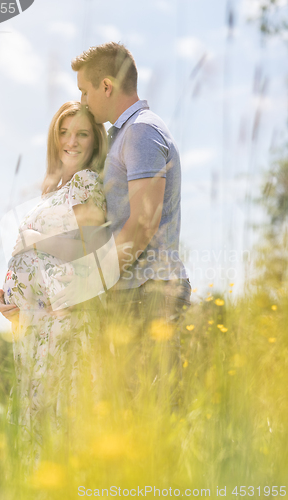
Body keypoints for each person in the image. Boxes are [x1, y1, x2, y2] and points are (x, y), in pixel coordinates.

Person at [71, 42, 191, 405]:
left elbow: (142, 224)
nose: (84, 100)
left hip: (151, 294)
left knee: (155, 418)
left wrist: (95, 283)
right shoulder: (122, 136)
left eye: (85, 91)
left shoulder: (141, 131)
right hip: (133, 294)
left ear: (106, 86)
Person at [0, 101, 108, 451]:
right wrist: (13, 303)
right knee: (38, 433)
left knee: (61, 434)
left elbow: (90, 250)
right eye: (63, 132)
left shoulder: (87, 183)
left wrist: (31, 240)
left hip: (64, 329)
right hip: (36, 329)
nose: (70, 141)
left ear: (95, 141)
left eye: (81, 134)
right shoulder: (53, 193)